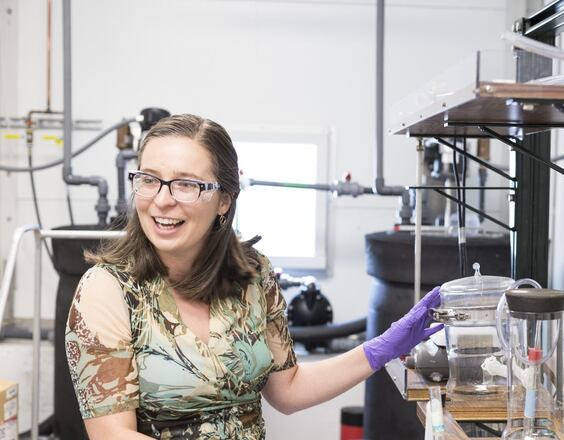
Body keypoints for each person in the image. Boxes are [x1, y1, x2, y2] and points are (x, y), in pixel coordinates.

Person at [65, 114, 443, 439]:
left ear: (224, 200)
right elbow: (112, 433)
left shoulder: (253, 276)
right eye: (150, 179)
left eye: (186, 184)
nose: (163, 199)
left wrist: (381, 349)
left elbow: (288, 389)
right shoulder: (108, 289)